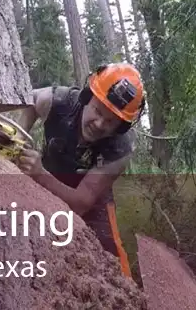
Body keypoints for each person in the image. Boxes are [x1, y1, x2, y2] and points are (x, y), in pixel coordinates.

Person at [14, 63, 146, 279]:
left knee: (112, 257)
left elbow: (82, 203)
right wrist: (19, 137)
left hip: (91, 198)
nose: (100, 124)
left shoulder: (120, 148)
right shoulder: (60, 100)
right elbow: (31, 100)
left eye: (111, 122)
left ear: (121, 127)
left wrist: (38, 174)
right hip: (48, 177)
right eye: (97, 111)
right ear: (87, 97)